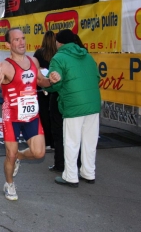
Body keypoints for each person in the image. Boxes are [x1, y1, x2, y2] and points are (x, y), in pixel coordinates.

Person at [0, 28, 54, 200]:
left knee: (39, 153)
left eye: (23, 38)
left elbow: (41, 81)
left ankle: (20, 157)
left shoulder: (34, 61)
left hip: (31, 116)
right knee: (9, 153)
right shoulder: (5, 66)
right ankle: (9, 184)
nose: (21, 42)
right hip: (12, 117)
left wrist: (51, 81)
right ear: (8, 44)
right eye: (16, 40)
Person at [45, 29, 101, 187]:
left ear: (59, 42)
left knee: (71, 141)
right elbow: (97, 78)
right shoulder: (87, 56)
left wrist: (46, 87)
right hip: (93, 104)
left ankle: (71, 176)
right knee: (89, 141)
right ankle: (88, 173)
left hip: (73, 104)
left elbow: (55, 83)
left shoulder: (59, 57)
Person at [33, 31, 57, 151]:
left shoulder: (39, 52)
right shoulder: (58, 54)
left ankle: (47, 141)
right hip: (55, 86)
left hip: (41, 87)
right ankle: (55, 142)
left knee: (44, 115)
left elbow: (34, 68)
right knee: (55, 115)